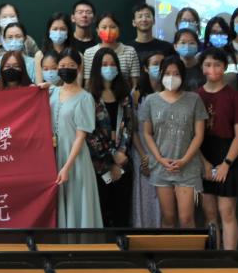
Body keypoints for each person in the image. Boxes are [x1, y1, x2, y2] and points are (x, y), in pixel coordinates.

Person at [138, 55, 207, 228]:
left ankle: (189, 247)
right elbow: (147, 133)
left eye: (176, 73)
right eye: (167, 73)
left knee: (186, 219)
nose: (171, 77)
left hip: (188, 167)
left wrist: (184, 160)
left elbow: (199, 135)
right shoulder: (151, 100)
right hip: (161, 166)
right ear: (161, 75)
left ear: (183, 76)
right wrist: (159, 159)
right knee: (168, 217)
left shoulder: (194, 99)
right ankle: (167, 247)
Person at [197, 49, 238, 250]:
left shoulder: (234, 96)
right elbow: (193, 136)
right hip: (203, 153)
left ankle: (229, 258)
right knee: (209, 213)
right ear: (202, 68)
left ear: (225, 67)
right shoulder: (196, 96)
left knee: (227, 212)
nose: (213, 69)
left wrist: (226, 164)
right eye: (208, 64)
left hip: (228, 154)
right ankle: (213, 257)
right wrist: (204, 163)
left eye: (217, 65)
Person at [51, 52, 102, 228]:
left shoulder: (85, 98)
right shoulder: (52, 92)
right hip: (53, 156)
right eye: (62, 66)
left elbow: (81, 136)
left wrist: (67, 167)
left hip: (75, 160)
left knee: (76, 202)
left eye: (71, 66)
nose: (66, 69)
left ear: (79, 68)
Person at [87, 48, 135, 227]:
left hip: (124, 163)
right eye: (104, 64)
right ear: (96, 68)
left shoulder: (124, 94)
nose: (109, 68)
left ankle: (122, 244)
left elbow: (129, 124)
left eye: (113, 64)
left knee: (122, 213)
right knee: (104, 212)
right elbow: (91, 133)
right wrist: (112, 158)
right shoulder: (89, 96)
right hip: (100, 166)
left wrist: (121, 154)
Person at [131, 52, 166, 228]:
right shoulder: (136, 94)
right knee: (144, 196)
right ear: (145, 68)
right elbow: (133, 128)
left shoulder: (171, 93)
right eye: (155, 63)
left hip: (165, 153)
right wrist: (144, 155)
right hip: (142, 151)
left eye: (162, 63)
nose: (159, 67)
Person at [81, 13, 141, 86]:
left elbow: (135, 85)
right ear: (97, 30)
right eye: (104, 27)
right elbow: (88, 83)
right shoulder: (89, 53)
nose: (108, 31)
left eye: (113, 27)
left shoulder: (130, 52)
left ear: (118, 29)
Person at [0, 3, 36, 75]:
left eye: (12, 16)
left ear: (17, 19)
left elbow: (40, 64)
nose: (8, 19)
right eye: (4, 17)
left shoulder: (28, 41)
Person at [0, 22, 36, 88]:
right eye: (10, 37)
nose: (14, 40)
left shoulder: (33, 63)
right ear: (4, 40)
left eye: (18, 36)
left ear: (25, 38)